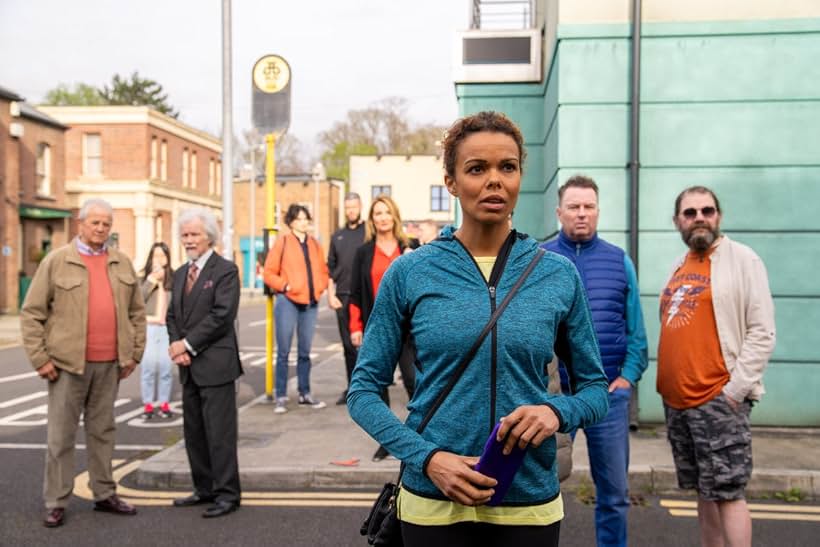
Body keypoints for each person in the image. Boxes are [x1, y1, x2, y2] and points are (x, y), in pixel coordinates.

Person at [347, 111, 609, 546]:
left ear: (520, 176)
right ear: (451, 181)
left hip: (529, 504)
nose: (494, 180)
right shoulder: (410, 273)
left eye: (507, 167)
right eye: (476, 168)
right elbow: (363, 393)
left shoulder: (557, 274)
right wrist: (428, 458)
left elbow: (596, 390)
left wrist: (555, 412)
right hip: (432, 503)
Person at [658, 186, 776, 547]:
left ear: (718, 216)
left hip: (718, 398)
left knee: (728, 492)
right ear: (678, 220)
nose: (699, 218)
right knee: (704, 492)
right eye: (690, 212)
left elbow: (762, 331)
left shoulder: (743, 259)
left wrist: (735, 391)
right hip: (678, 402)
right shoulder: (679, 264)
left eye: (707, 211)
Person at [20, 198, 146, 528]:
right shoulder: (57, 261)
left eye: (106, 224)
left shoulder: (121, 262)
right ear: (81, 224)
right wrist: (40, 359)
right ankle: (56, 500)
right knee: (60, 436)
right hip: (65, 365)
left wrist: (134, 353)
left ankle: (104, 494)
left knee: (103, 432)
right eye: (95, 223)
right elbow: (32, 313)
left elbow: (137, 312)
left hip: (110, 365)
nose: (101, 228)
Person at [542, 175, 648, 547]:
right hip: (557, 399)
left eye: (589, 206)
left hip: (609, 396)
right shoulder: (541, 260)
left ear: (598, 211)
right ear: (560, 212)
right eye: (574, 207)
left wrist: (628, 378)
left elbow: (637, 331)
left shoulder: (620, 261)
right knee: (541, 490)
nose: (582, 214)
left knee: (614, 496)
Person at [167, 208, 243, 518]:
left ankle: (228, 494)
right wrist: (176, 345)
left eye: (194, 234)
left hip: (216, 366)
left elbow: (222, 316)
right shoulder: (180, 273)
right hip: (188, 367)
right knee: (194, 433)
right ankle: (204, 488)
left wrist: (186, 344)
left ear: (208, 236)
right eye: (184, 235)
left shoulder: (225, 270)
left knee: (219, 434)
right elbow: (173, 314)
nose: (188, 240)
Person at [349, 195, 419, 462]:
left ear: (395, 215)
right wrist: (356, 327)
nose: (382, 218)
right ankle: (388, 440)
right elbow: (355, 294)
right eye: (377, 213)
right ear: (372, 219)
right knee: (378, 387)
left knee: (415, 381)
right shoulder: (363, 252)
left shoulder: (411, 246)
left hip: (410, 328)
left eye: (386, 212)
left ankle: (418, 434)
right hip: (378, 328)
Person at [263, 204, 330, 413]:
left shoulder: (314, 244)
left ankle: (305, 393)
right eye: (299, 219)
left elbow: (323, 270)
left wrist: (319, 288)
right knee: (283, 352)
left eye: (305, 219)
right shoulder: (282, 242)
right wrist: (285, 286)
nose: (303, 222)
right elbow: (268, 272)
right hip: (288, 302)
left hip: (310, 303)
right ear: (291, 221)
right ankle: (281, 395)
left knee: (305, 352)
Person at [326, 192, 366, 405]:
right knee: (348, 347)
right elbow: (330, 269)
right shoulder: (337, 236)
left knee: (370, 345)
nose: (351, 211)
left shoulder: (369, 232)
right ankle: (352, 389)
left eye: (354, 207)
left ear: (360, 207)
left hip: (365, 296)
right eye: (348, 207)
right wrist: (330, 296)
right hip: (342, 297)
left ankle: (371, 389)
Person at [140, 241, 175, 420]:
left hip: (167, 329)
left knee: (165, 367)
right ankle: (147, 403)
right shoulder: (145, 278)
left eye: (163, 255)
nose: (159, 259)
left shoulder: (174, 278)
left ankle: (164, 402)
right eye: (156, 255)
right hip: (149, 327)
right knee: (148, 367)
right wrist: (152, 280)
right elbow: (138, 300)